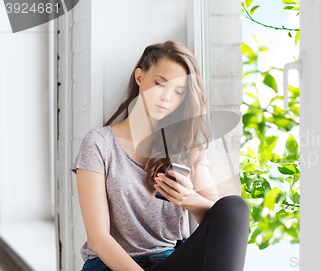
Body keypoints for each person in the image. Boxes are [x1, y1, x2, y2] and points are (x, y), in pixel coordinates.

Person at [71, 40, 250, 271]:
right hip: (111, 267)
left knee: (234, 207)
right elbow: (98, 239)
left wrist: (188, 198)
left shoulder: (186, 146)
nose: (167, 97)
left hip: (169, 261)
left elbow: (220, 219)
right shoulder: (99, 144)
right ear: (139, 77)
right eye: (160, 84)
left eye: (178, 92)